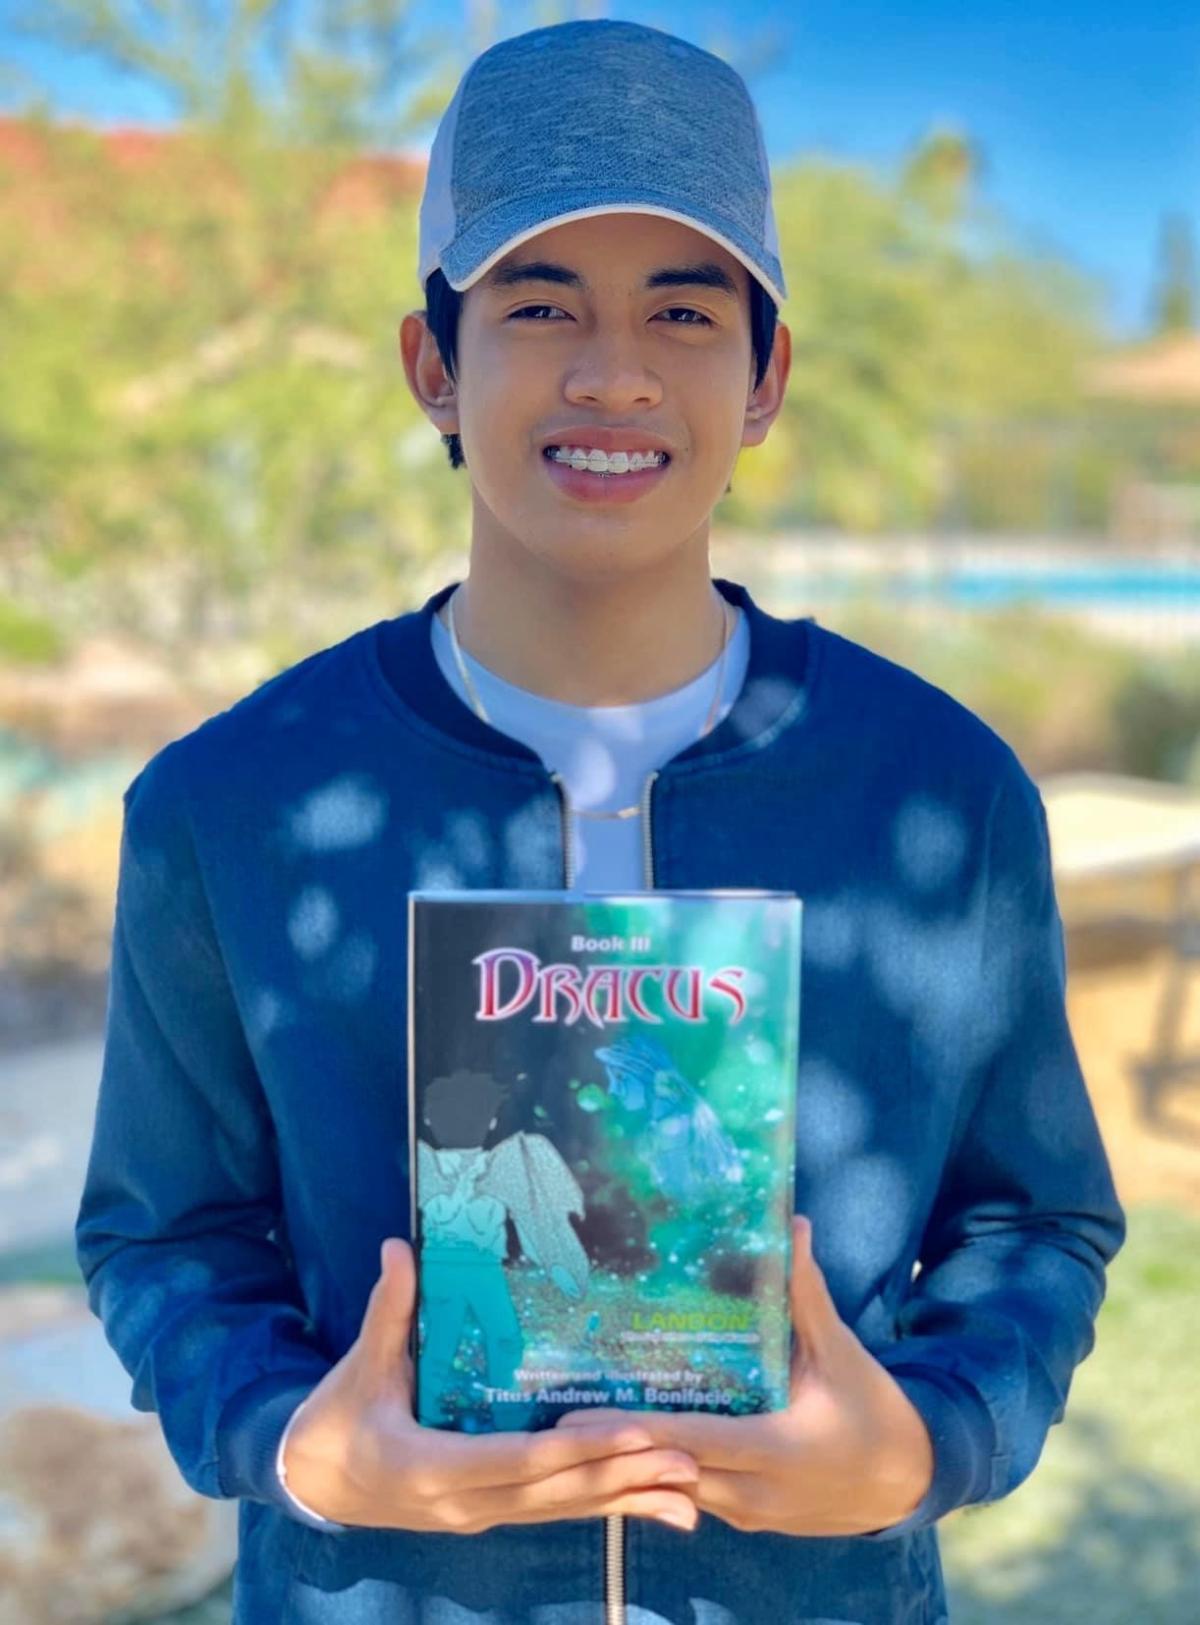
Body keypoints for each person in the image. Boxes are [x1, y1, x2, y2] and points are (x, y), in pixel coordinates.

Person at [75, 18, 1126, 1625]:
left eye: (684, 309)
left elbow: (1034, 1213)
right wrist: (299, 1448)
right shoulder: (233, 807)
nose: (614, 371)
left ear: (766, 376)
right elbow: (168, 1234)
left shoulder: (939, 794)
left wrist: (928, 1439)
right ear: (435, 364)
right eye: (540, 301)